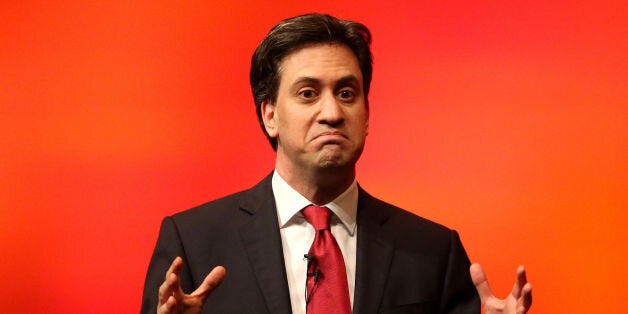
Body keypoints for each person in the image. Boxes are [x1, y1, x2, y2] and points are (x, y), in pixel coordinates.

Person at [141, 13, 532, 314]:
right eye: (308, 93)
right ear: (270, 115)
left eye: (347, 93)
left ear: (367, 113)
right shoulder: (193, 243)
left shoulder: (432, 251)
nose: (332, 112)